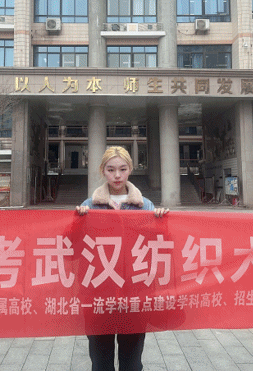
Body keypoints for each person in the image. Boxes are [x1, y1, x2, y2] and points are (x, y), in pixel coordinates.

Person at [72, 146, 167, 371]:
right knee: (100, 363)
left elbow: (160, 247)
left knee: (132, 363)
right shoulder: (88, 206)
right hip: (98, 295)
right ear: (102, 171)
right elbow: (73, 250)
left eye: (122, 169)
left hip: (134, 294)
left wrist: (162, 223)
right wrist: (76, 224)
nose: (117, 175)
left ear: (130, 169)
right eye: (111, 169)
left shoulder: (146, 206)